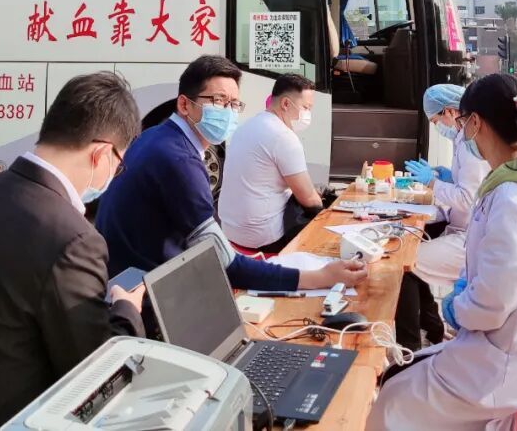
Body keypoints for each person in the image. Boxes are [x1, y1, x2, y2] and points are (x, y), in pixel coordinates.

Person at [0, 73, 145, 431]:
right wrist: (127, 309)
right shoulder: (74, 239)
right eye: (119, 164)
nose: (114, 174)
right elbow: (100, 376)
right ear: (101, 154)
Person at [368, 73, 517, 431]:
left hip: (506, 371)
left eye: (462, 123)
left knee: (389, 399)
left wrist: (457, 306)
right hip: (504, 352)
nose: (460, 132)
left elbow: (489, 308)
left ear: (475, 122)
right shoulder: (514, 187)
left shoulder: (513, 202)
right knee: (398, 376)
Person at [97, 56, 367, 293]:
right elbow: (225, 265)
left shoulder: (155, 136)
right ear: (184, 104)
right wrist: (319, 278)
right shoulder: (179, 161)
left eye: (233, 104)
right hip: (144, 294)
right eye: (217, 101)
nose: (227, 112)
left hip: (124, 276)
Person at [395, 84, 491, 349]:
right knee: (412, 253)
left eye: (436, 120)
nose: (437, 126)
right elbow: (466, 187)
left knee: (405, 263)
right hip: (464, 227)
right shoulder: (462, 139)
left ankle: (408, 346)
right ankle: (433, 328)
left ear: (450, 111)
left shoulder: (470, 144)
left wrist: (433, 183)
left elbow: (468, 198)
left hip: (471, 238)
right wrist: (443, 177)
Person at [218, 74, 323, 253]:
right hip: (263, 237)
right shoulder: (283, 137)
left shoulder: (246, 126)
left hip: (230, 230)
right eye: (306, 108)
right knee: (319, 215)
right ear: (286, 104)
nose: (307, 114)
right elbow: (308, 198)